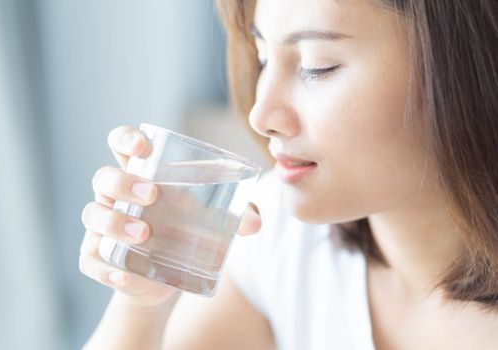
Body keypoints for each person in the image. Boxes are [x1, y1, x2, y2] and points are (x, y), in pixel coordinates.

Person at [79, 0, 498, 348]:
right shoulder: (278, 236)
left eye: (317, 66)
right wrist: (141, 304)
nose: (261, 115)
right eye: (262, 58)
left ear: (467, 66)